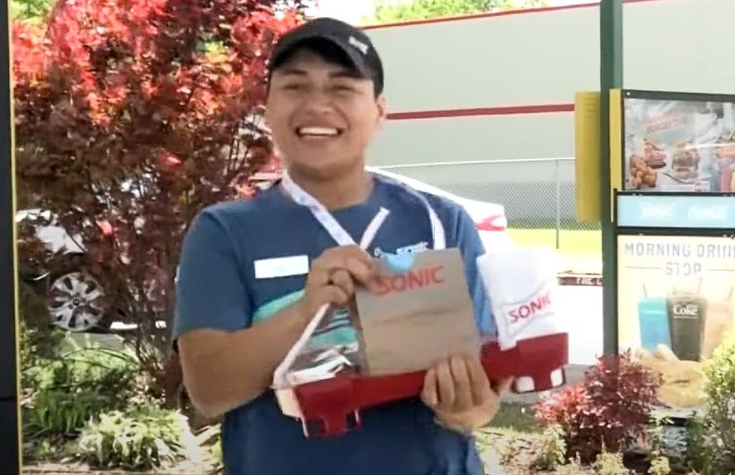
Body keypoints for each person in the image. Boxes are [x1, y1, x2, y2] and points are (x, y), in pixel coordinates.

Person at [175, 17, 511, 475]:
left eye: (342, 87)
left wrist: (466, 408)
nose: (317, 106)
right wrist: (306, 311)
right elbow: (209, 390)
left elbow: (484, 396)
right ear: (267, 109)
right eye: (295, 87)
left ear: (379, 112)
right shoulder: (224, 232)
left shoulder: (441, 221)